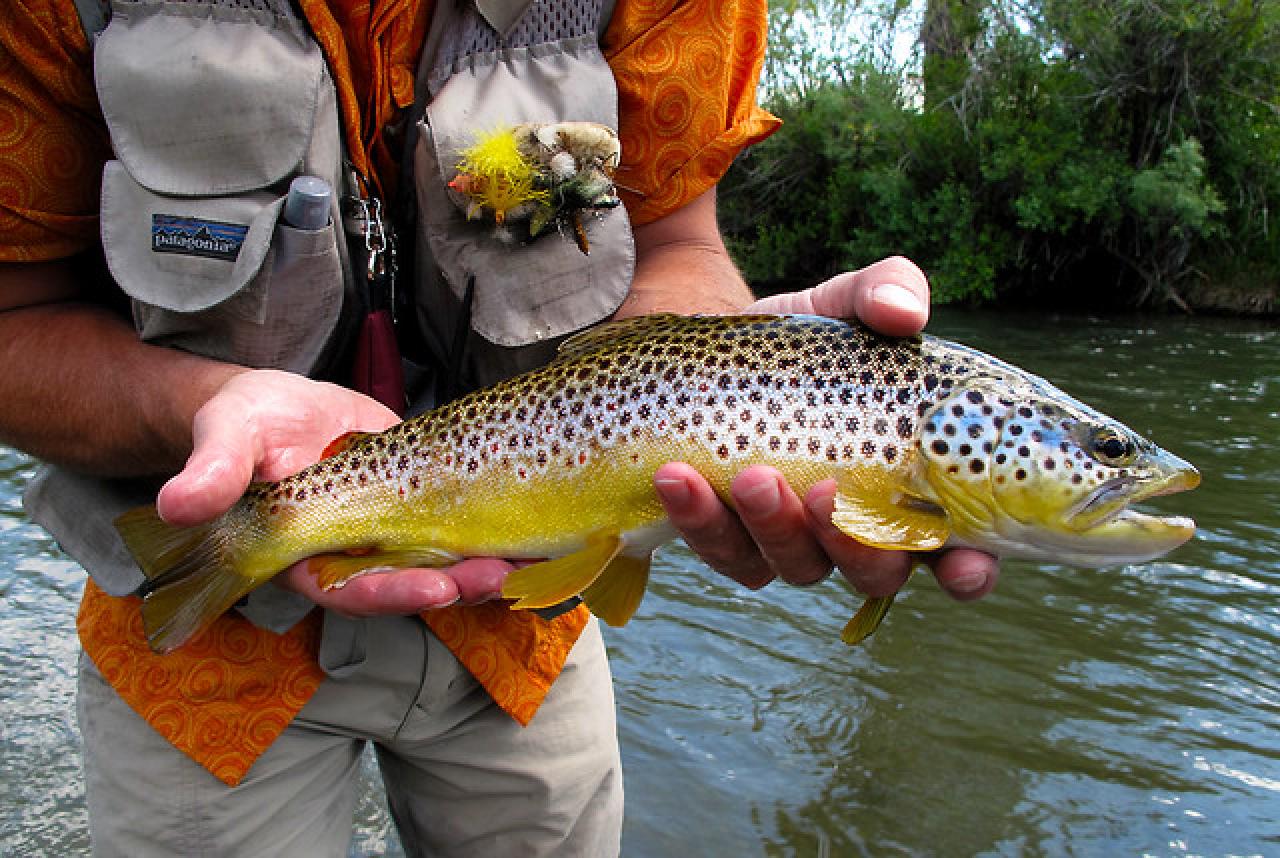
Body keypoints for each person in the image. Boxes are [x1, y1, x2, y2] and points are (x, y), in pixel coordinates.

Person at [0, 0, 999, 855]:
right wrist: (197, 406)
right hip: (196, 643)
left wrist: (708, 371)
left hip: (526, 616)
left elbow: (675, 242)